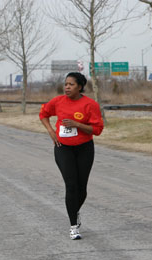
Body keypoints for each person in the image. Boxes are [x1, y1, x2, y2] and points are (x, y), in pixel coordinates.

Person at [40, 72, 104, 240]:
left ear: (80, 87)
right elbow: (43, 114)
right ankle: (73, 225)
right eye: (66, 84)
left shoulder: (90, 105)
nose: (67, 87)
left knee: (82, 189)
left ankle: (74, 211)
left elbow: (97, 130)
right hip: (63, 148)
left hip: (84, 148)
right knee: (71, 185)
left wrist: (77, 124)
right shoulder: (58, 101)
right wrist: (51, 131)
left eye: (71, 84)